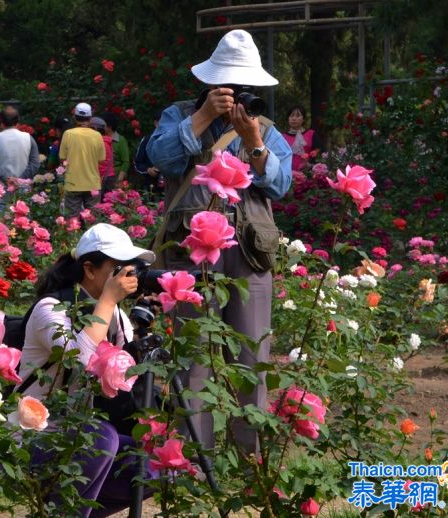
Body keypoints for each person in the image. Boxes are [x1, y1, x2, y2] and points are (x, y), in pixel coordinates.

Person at [146, 30, 292, 457]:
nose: (235, 96)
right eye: (226, 87)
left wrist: (255, 145)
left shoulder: (264, 128)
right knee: (193, 358)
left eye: (243, 87)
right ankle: (193, 461)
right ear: (209, 84)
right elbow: (160, 158)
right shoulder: (178, 115)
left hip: (249, 254)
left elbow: (282, 185)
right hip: (193, 252)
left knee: (253, 357)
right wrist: (203, 118)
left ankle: (252, 463)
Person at [16, 223, 156, 517]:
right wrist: (106, 300)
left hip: (80, 434)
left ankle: (65, 512)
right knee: (101, 438)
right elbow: (78, 362)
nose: (127, 276)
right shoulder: (50, 308)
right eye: (118, 268)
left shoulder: (117, 315)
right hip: (31, 437)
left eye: (131, 269)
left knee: (153, 464)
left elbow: (126, 378)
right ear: (90, 269)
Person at [59, 102, 105, 218]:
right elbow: (101, 159)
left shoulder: (68, 134)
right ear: (90, 118)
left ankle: (74, 237)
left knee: (72, 222)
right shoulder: (97, 135)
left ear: (75, 117)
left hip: (73, 183)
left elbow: (62, 158)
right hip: (92, 184)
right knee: (92, 221)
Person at [0, 105, 41, 188]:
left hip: (0, 188)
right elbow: (35, 164)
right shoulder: (28, 138)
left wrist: (6, 179)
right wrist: (19, 180)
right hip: (23, 186)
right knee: (23, 201)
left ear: (1, 123)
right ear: (18, 122)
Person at [133, 111, 164, 199]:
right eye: (163, 121)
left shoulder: (174, 140)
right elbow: (137, 162)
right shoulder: (147, 140)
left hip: (170, 185)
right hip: (151, 186)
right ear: (156, 123)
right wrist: (148, 169)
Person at [281, 105, 315, 171]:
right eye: (291, 116)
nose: (294, 118)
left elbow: (319, 154)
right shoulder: (282, 137)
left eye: (297, 116)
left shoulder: (311, 134)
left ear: (303, 119)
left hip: (308, 174)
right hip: (287, 174)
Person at [88, 117, 115, 198]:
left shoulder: (100, 143)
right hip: (107, 177)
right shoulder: (105, 141)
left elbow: (101, 165)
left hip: (102, 179)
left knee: (98, 206)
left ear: (95, 129)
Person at [101, 112, 130, 185]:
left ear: (109, 126)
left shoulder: (120, 140)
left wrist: (121, 176)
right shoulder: (99, 138)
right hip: (101, 177)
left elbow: (126, 161)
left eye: (102, 125)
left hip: (115, 178)